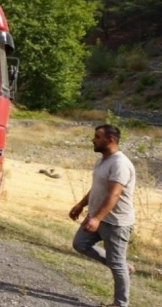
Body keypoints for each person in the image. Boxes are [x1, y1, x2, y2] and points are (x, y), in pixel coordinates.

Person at [70, 124, 136, 307]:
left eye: (97, 137)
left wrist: (96, 218)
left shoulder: (120, 164)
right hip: (98, 216)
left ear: (110, 140)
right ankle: (125, 267)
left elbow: (113, 194)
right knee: (80, 244)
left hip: (116, 223)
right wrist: (81, 205)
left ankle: (120, 303)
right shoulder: (104, 160)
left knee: (116, 264)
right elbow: (98, 188)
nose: (93, 139)